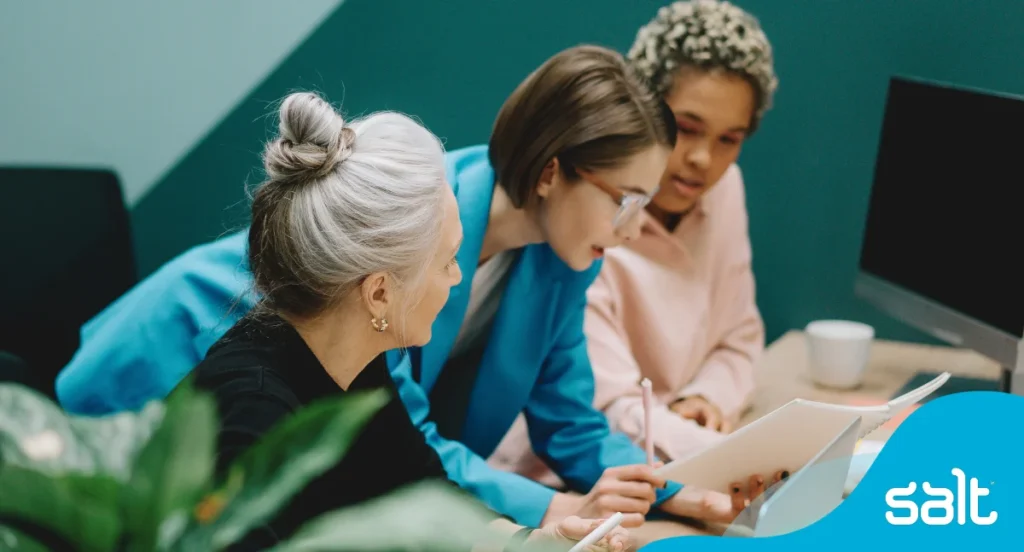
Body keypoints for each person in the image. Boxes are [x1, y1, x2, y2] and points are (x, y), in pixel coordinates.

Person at [54, 45, 754, 529]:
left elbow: (564, 421)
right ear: (552, 173)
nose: (634, 229)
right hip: (180, 356)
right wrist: (552, 512)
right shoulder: (412, 229)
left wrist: (669, 489)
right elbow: (408, 436)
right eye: (626, 201)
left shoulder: (565, 257)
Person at [193, 91, 628, 551]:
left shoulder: (354, 360)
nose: (459, 276)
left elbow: (424, 489)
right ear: (379, 292)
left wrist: (533, 542)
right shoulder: (250, 416)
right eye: (447, 262)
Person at [491, 0, 777, 492]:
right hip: (557, 479)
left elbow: (739, 337)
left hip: (657, 459)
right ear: (644, 108)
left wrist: (706, 399)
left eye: (730, 139)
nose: (704, 159)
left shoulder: (726, 191)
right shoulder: (584, 219)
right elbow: (597, 410)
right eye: (686, 129)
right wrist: (752, 458)